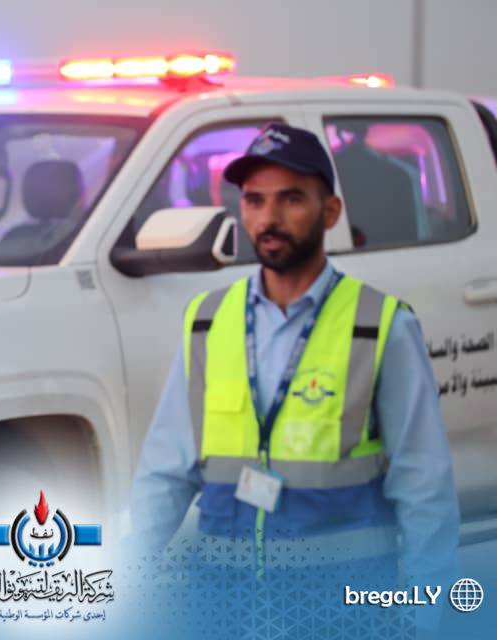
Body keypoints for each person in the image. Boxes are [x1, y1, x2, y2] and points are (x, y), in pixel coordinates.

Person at [129, 124, 458, 635]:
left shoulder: (380, 325)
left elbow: (425, 489)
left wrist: (426, 620)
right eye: (254, 200)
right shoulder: (208, 322)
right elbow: (165, 474)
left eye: (292, 199)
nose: (269, 218)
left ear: (331, 212)